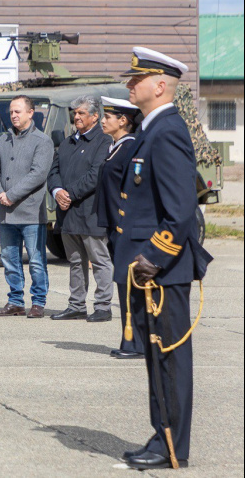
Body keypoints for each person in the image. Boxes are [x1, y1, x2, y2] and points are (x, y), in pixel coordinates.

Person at [116, 47, 212, 470]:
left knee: (169, 358)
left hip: (161, 272)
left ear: (160, 85)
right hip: (148, 271)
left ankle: (173, 445)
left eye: (137, 80)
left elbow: (180, 210)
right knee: (157, 358)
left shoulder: (168, 131)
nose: (129, 85)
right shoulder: (152, 130)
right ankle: (162, 436)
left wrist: (154, 256)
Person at [48, 96, 114, 322]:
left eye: (81, 113)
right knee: (75, 262)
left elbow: (96, 174)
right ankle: (76, 305)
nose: (76, 117)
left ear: (95, 116)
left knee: (99, 261)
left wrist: (71, 194)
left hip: (91, 213)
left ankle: (103, 306)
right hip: (68, 214)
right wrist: (57, 191)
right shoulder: (67, 142)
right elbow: (53, 170)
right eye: (74, 113)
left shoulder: (103, 141)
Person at [0, 95, 54, 318]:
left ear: (30, 113)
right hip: (6, 212)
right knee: (9, 259)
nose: (13, 115)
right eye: (12, 112)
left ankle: (38, 302)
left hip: (30, 212)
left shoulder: (42, 140)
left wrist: (12, 195)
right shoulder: (4, 139)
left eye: (18, 111)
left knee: (36, 261)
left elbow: (38, 174)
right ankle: (15, 301)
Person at [95, 96, 145, 359]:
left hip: (127, 227)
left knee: (131, 286)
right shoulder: (115, 147)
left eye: (108, 117)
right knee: (124, 285)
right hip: (115, 227)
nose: (103, 120)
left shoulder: (130, 148)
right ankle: (130, 341)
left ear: (123, 121)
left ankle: (137, 343)